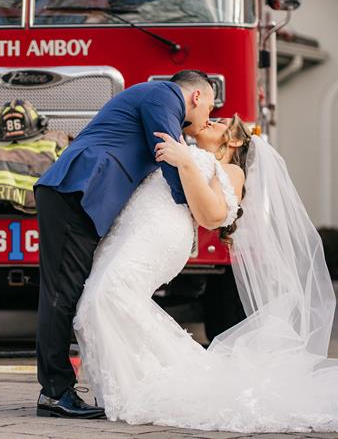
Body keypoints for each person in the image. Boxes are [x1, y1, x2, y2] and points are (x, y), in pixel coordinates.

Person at [72, 114, 338, 432]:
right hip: (139, 234)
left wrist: (186, 163)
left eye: (220, 123)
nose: (211, 121)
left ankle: (140, 387)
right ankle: (133, 383)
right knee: (103, 301)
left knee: (110, 297)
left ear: (232, 141)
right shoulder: (192, 152)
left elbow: (213, 214)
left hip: (163, 239)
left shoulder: (229, 170)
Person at [33, 70, 215, 418]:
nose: (208, 116)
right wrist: (189, 204)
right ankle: (55, 392)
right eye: (210, 106)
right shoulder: (164, 95)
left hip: (79, 194)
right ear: (196, 97)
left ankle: (57, 389)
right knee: (60, 295)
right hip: (75, 189)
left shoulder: (157, 98)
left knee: (64, 293)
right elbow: (167, 153)